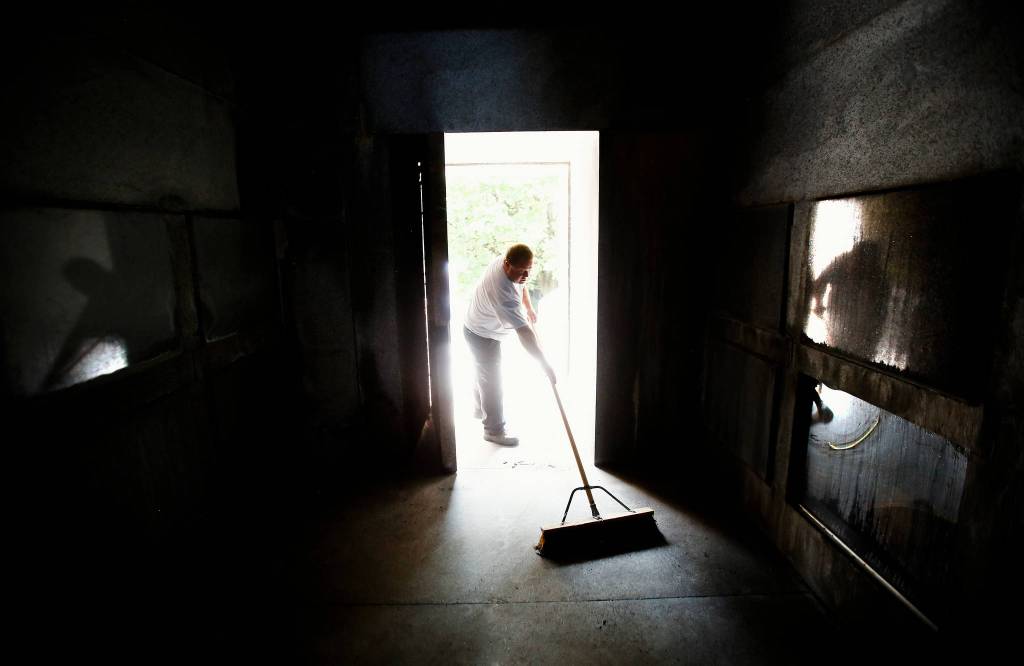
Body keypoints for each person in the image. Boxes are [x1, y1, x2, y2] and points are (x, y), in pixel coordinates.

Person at [463, 244, 557, 446]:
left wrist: (529, 308)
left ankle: (479, 408)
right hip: (481, 335)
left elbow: (520, 286)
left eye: (529, 270)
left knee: (483, 371)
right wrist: (545, 365)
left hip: (476, 326)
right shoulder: (502, 291)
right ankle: (493, 430)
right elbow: (524, 333)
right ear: (507, 265)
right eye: (522, 270)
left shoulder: (508, 264)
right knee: (492, 381)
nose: (526, 275)